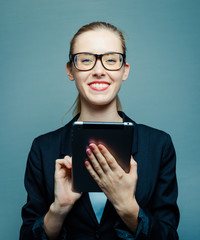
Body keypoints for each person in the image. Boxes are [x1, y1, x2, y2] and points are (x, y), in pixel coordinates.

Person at [20, 22, 179, 240]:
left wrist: (127, 207)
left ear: (125, 71)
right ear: (70, 71)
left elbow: (169, 236)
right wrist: (59, 209)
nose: (99, 70)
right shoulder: (43, 148)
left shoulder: (159, 145)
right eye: (85, 60)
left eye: (111, 60)